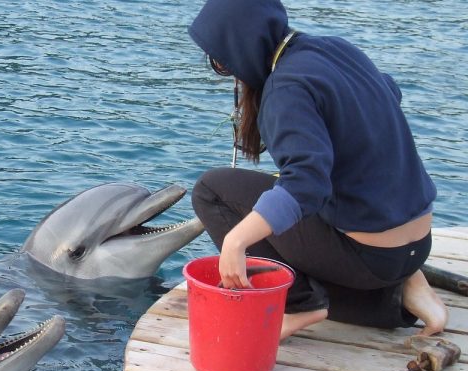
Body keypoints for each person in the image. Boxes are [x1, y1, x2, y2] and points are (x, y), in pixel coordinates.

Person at [187, 0, 448, 339]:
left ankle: (299, 305)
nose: (226, 70)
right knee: (282, 199)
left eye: (222, 61)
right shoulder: (335, 48)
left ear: (242, 47)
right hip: (416, 244)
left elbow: (306, 184)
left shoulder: (286, 88)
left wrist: (236, 241)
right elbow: (389, 91)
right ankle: (406, 289)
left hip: (371, 257)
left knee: (212, 190)